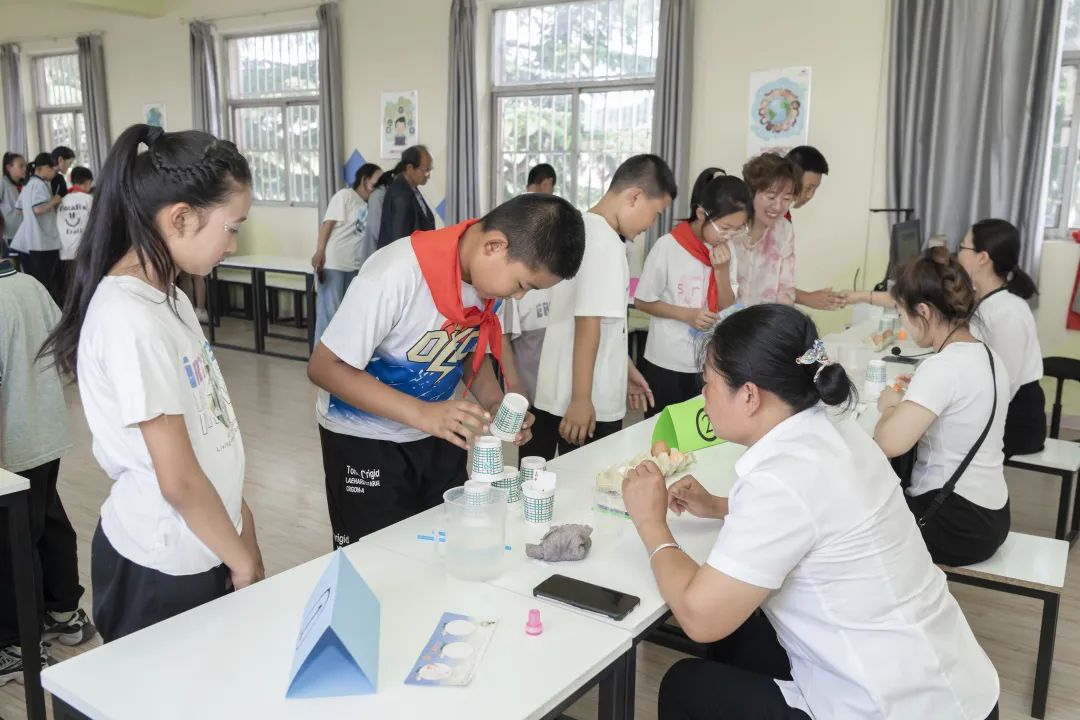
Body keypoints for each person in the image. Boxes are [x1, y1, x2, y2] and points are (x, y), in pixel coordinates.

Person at [621, 303, 1000, 720]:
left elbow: (699, 617)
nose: (703, 396)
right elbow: (819, 517)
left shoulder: (781, 478)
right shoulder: (836, 429)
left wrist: (650, 523)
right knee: (743, 633)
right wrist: (718, 506)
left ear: (749, 396)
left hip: (890, 706)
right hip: (952, 686)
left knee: (688, 685)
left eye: (707, 383)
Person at [40, 124, 265, 643]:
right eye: (232, 228)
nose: (234, 244)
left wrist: (242, 528)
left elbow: (211, 429)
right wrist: (244, 563)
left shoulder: (171, 297)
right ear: (180, 217)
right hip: (161, 565)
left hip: (208, 540)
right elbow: (178, 480)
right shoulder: (129, 318)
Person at [307, 193, 585, 547]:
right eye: (522, 286)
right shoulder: (395, 274)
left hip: (438, 433)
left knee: (440, 545)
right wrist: (423, 413)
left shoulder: (488, 282)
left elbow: (468, 349)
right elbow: (325, 368)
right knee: (376, 560)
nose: (519, 298)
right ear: (494, 246)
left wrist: (494, 400)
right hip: (367, 441)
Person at [530, 154, 674, 459]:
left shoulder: (584, 227)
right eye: (655, 213)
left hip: (563, 391)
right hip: (586, 402)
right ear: (635, 197)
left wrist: (625, 367)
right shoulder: (605, 243)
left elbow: (602, 324)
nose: (650, 225)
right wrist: (582, 399)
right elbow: (587, 324)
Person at [872, 249, 1010, 566]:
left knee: (849, 518)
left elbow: (887, 443)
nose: (904, 323)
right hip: (991, 515)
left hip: (954, 523)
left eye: (903, 313)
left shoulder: (943, 366)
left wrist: (891, 406)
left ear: (924, 311)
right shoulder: (987, 356)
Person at [0, 257, 96, 686]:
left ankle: (18, 644)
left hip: (13, 446)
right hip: (47, 433)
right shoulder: (29, 285)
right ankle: (63, 612)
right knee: (48, 521)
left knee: (13, 543)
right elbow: (64, 342)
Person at [634, 168, 749, 417]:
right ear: (701, 214)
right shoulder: (668, 246)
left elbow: (726, 304)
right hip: (667, 361)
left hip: (706, 362)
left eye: (737, 230)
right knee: (662, 431)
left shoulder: (726, 250)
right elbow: (642, 300)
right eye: (726, 227)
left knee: (701, 431)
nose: (729, 236)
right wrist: (687, 314)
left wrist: (722, 269)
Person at [957, 219, 1047, 457]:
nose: (958, 254)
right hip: (995, 408)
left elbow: (1005, 385)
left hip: (1016, 421)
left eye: (963, 247)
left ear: (983, 258)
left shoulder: (1008, 312)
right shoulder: (985, 299)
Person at [498, 162, 560, 401]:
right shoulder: (537, 210)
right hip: (527, 370)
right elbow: (502, 336)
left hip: (539, 339)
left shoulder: (516, 207)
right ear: (547, 183)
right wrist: (513, 383)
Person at [312, 162, 383, 341]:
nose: (379, 186)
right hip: (334, 263)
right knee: (328, 315)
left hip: (354, 266)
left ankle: (337, 360)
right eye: (377, 181)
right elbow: (327, 224)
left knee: (346, 316)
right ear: (365, 180)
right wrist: (319, 251)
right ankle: (319, 363)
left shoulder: (371, 204)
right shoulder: (345, 196)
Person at [783, 146, 845, 312]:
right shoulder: (767, 217)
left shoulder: (784, 218)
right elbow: (761, 280)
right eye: (809, 188)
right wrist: (807, 298)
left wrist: (808, 297)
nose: (810, 196)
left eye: (815, 189)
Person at [735, 153, 800, 306]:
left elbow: (785, 289)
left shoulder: (784, 230)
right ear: (751, 193)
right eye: (771, 197)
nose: (778, 207)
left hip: (762, 323)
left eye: (786, 199)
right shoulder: (731, 224)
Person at [11, 153, 63, 302]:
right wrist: (54, 201)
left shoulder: (27, 185)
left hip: (32, 242)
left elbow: (19, 209)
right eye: (54, 169)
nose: (55, 173)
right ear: (45, 168)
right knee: (48, 285)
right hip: (43, 242)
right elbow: (38, 209)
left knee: (39, 283)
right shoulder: (39, 184)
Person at [376, 145, 435, 249]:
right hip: (403, 261)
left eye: (430, 170)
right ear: (409, 168)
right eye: (425, 170)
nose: (428, 175)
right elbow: (399, 240)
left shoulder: (411, 189)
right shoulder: (401, 195)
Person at [56, 166, 94, 306]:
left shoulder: (61, 199)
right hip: (83, 248)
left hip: (64, 248)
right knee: (84, 284)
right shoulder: (89, 199)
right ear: (88, 182)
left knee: (69, 285)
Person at [1, 152, 25, 256]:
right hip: (9, 235)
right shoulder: (3, 183)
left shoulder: (25, 184)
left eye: (25, 165)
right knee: (12, 269)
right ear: (9, 167)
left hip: (24, 233)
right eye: (21, 166)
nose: (24, 168)